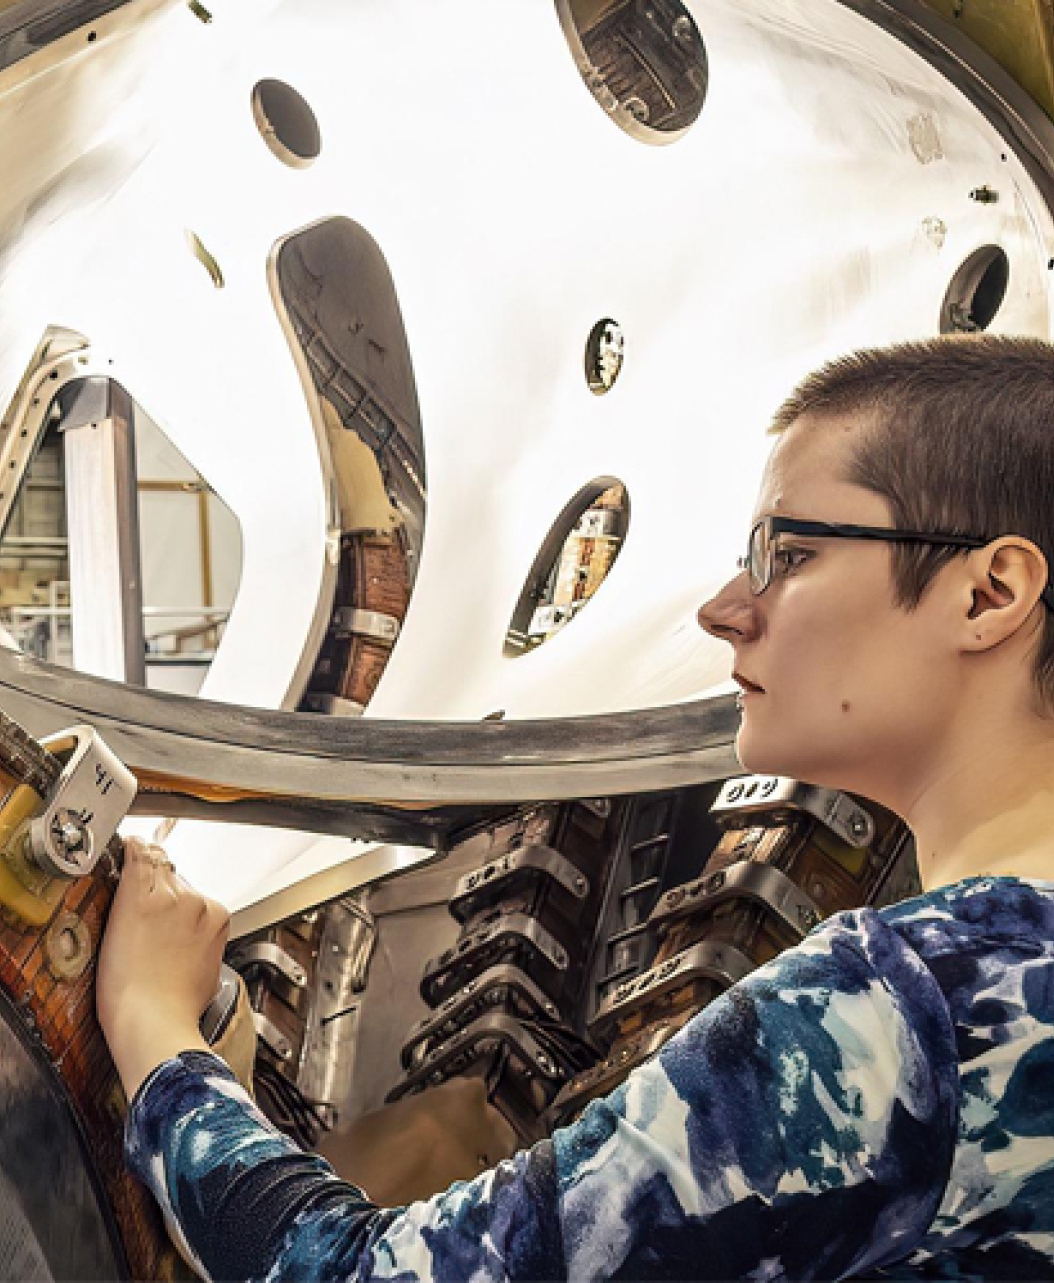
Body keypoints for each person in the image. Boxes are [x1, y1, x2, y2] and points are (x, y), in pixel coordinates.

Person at [97, 335, 1054, 1280]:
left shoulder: (903, 1013)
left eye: (788, 553)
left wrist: (157, 1028)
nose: (725, 610)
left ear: (989, 594)